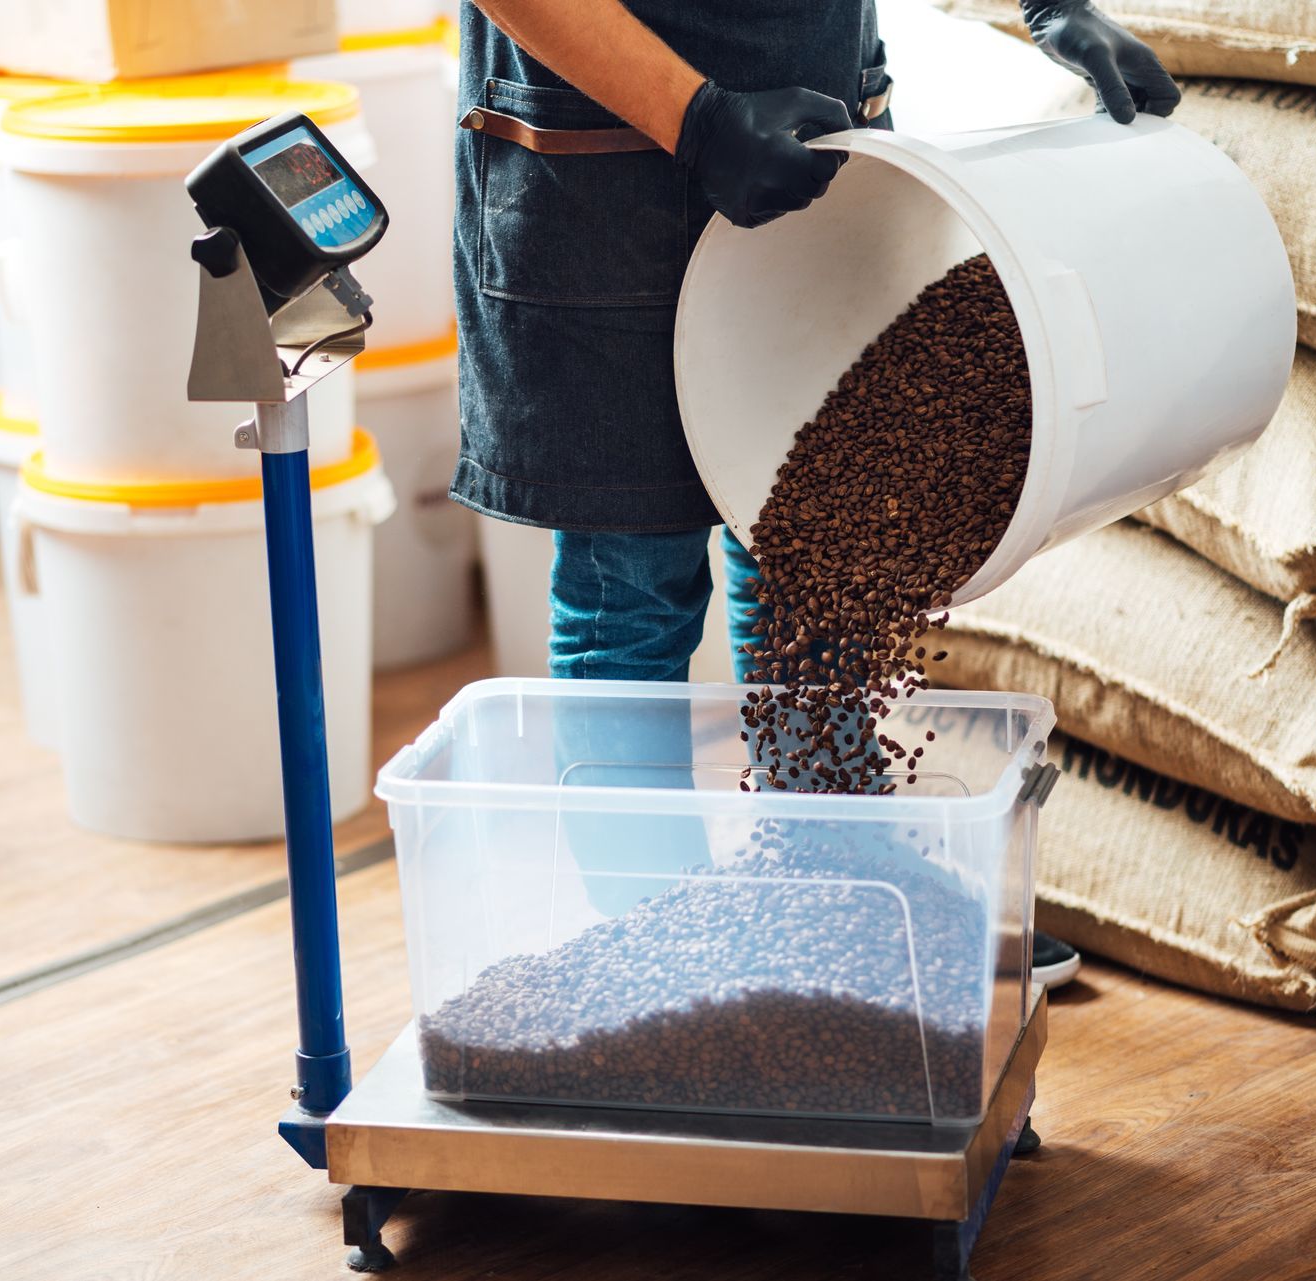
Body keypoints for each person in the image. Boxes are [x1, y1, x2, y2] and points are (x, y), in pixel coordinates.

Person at [452, 0, 1179, 983]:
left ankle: (837, 876)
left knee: (814, 545)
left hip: (817, 151)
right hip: (600, 175)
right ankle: (664, 949)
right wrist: (697, 119)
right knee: (633, 577)